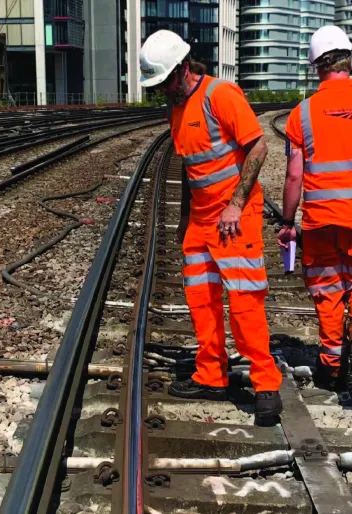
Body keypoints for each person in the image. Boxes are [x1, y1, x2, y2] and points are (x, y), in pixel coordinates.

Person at [138, 29, 283, 420]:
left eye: (166, 81)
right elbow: (190, 170)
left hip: (235, 219)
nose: (164, 90)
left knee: (244, 304)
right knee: (201, 301)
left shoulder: (220, 95)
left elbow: (258, 145)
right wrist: (186, 224)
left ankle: (266, 384)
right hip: (202, 223)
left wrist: (236, 204)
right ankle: (211, 374)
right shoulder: (176, 108)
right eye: (158, 86)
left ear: (184, 68)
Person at [278, 25, 352, 400]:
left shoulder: (302, 114)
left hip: (320, 222)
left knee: (328, 291)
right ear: (351, 61)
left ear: (316, 66)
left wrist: (287, 222)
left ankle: (332, 368)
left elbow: (294, 174)